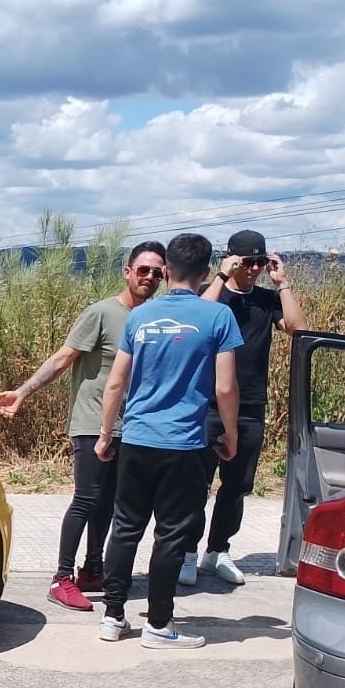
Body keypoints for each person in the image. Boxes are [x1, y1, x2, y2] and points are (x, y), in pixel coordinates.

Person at [0, 241, 168, 611]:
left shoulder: (154, 319)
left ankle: (93, 569)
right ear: (128, 272)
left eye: (157, 272)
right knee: (87, 498)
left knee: (109, 501)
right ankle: (61, 577)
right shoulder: (101, 313)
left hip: (130, 425)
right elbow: (63, 358)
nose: (150, 277)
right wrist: (22, 392)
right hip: (92, 421)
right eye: (143, 270)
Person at [95, 233, 241, 649]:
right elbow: (226, 388)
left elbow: (116, 383)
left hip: (137, 438)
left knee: (125, 528)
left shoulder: (140, 316)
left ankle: (112, 616)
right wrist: (230, 435)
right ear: (206, 271)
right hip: (185, 443)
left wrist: (106, 434)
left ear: (166, 270)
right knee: (172, 534)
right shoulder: (217, 316)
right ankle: (158, 624)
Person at [179, 228, 307, 586]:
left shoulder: (266, 300)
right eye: (247, 262)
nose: (253, 269)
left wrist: (282, 284)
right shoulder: (212, 295)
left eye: (259, 262)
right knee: (197, 485)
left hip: (250, 404)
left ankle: (217, 551)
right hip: (206, 405)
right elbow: (196, 317)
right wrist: (222, 277)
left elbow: (299, 330)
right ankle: (187, 552)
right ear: (232, 260)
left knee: (237, 486)